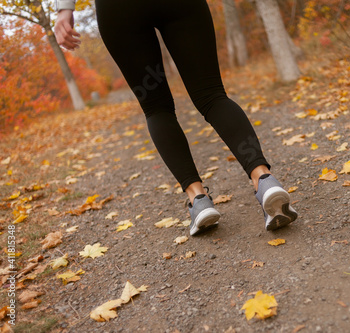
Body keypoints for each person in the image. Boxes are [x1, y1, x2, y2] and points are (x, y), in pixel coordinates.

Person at [54, 0, 297, 235]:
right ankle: (264, 180)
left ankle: (198, 199)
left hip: (119, 8)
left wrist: (64, 9)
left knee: (156, 108)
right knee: (211, 95)